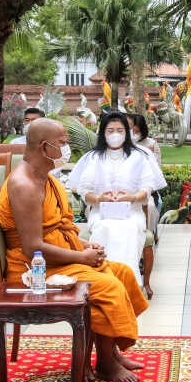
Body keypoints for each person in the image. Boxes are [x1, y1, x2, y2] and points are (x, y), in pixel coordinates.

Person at [0, 118, 148, 382]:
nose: (67, 148)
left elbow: (56, 228)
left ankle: (110, 354)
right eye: (63, 143)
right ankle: (104, 363)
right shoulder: (25, 184)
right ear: (45, 147)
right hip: (33, 272)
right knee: (109, 287)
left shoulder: (44, 176)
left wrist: (84, 245)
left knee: (122, 273)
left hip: (55, 257)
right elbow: (33, 248)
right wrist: (81, 257)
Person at [67, 112, 166, 280]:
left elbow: (148, 188)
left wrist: (132, 197)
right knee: (106, 228)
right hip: (101, 213)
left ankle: (127, 280)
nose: (115, 135)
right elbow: (84, 191)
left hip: (132, 212)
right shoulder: (92, 157)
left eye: (120, 130)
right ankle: (104, 279)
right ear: (103, 132)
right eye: (110, 130)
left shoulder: (139, 155)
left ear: (127, 132)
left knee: (128, 229)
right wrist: (99, 198)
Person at [127, 113, 162, 232]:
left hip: (146, 191)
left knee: (150, 208)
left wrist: (141, 193)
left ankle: (148, 236)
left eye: (136, 129)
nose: (134, 132)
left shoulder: (150, 145)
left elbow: (155, 176)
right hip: (121, 193)